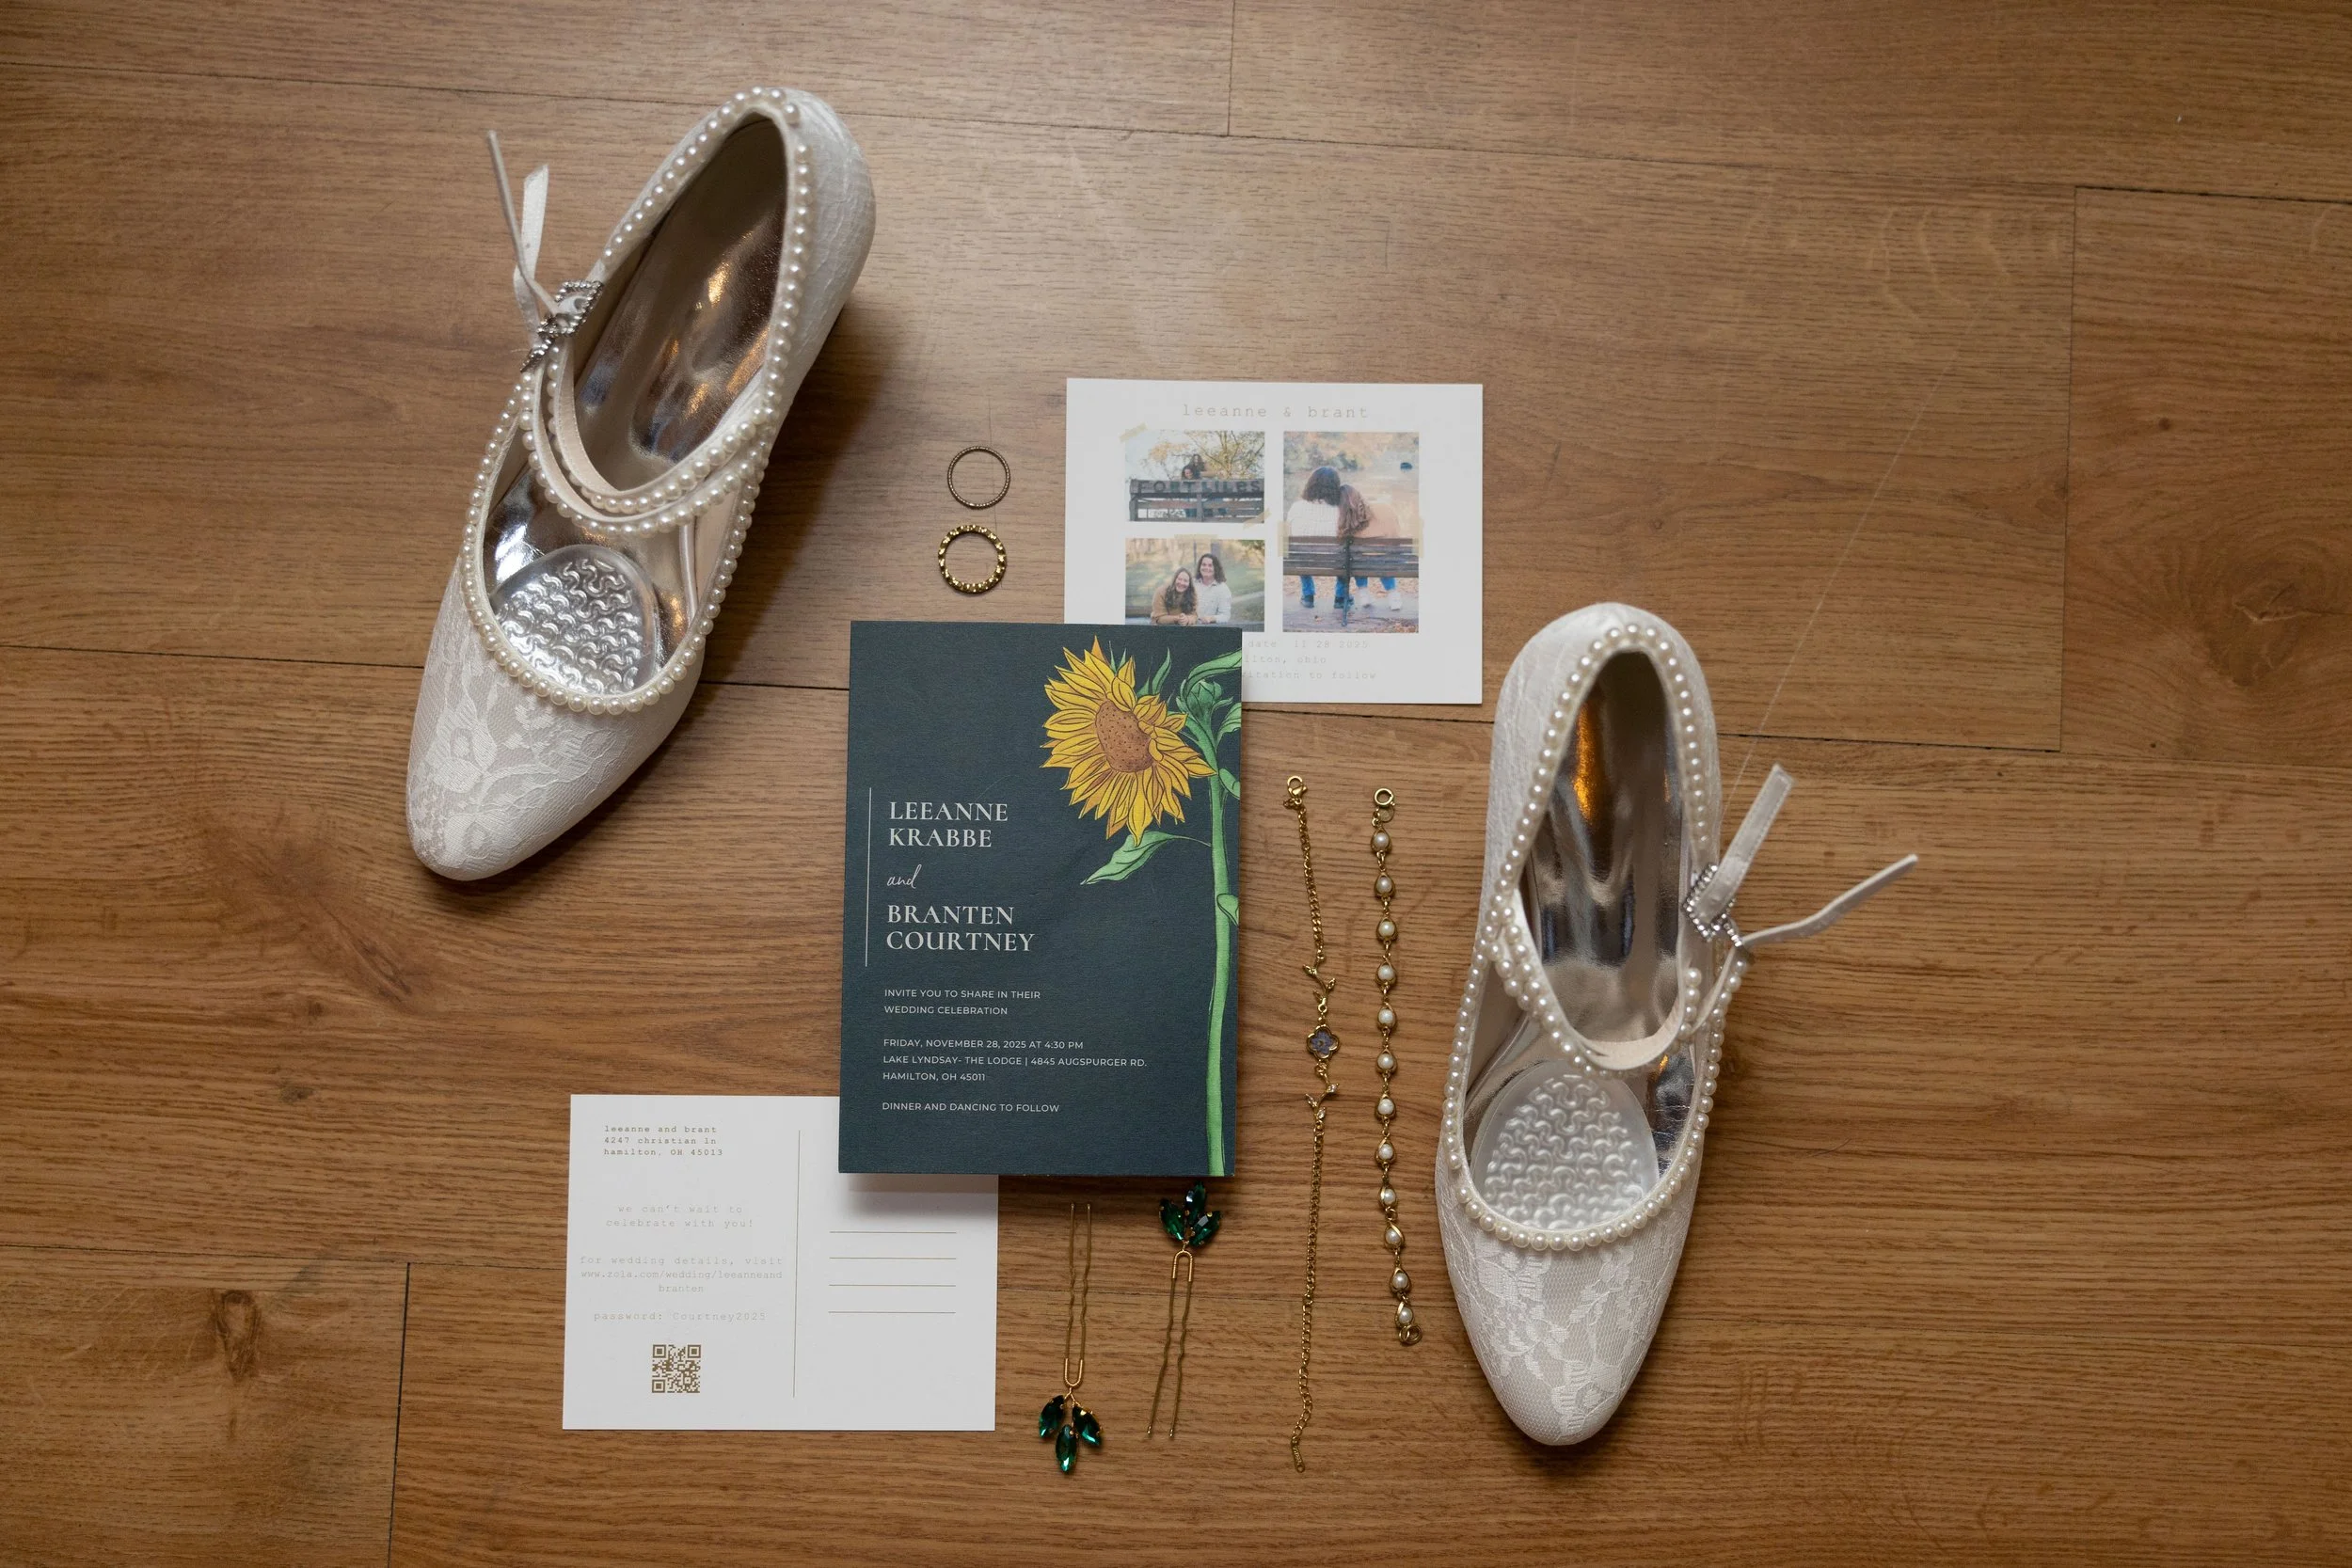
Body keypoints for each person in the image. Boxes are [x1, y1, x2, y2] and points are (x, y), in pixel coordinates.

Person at [1284, 465, 1345, 610]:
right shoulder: (1342, 508)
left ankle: (1308, 595)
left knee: (1301, 552)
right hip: (1335, 561)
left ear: (1310, 484)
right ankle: (1340, 597)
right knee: (1345, 554)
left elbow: (1284, 537)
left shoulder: (1296, 507)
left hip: (1304, 560)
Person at [1339, 484, 1406, 612]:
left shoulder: (1346, 519)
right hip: (1389, 561)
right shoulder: (1384, 507)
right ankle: (1393, 595)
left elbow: (1345, 545)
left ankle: (1363, 592)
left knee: (1358, 557)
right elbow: (1396, 535)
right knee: (1383, 556)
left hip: (1362, 564)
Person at [1193, 553, 1233, 624]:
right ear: (1200, 567)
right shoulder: (1192, 584)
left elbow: (1225, 616)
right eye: (1204, 565)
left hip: (1211, 629)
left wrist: (1211, 618)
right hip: (1190, 627)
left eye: (1210, 565)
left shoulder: (1223, 589)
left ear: (1216, 568)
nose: (1206, 568)